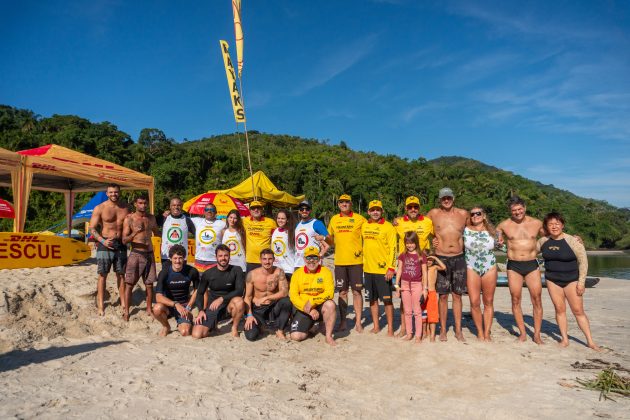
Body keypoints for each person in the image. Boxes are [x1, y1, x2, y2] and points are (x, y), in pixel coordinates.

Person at [537, 212, 599, 350]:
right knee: (560, 309)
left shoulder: (573, 241)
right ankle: (564, 339)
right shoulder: (543, 241)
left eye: (557, 223)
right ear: (546, 227)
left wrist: (581, 282)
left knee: (578, 311)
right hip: (552, 280)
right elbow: (528, 253)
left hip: (572, 280)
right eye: (551, 224)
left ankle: (590, 341)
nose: (554, 226)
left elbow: (583, 262)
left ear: (562, 225)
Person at [496, 196, 545, 344]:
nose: (517, 212)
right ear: (510, 211)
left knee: (536, 298)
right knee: (515, 298)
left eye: (519, 209)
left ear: (524, 208)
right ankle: (522, 333)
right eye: (514, 210)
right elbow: (497, 237)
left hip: (532, 264)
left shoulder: (537, 223)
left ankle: (536, 334)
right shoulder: (503, 225)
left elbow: (553, 236)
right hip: (513, 265)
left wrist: (574, 239)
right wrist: (499, 240)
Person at [427, 187, 468, 342]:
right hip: (441, 258)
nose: (446, 200)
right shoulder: (433, 214)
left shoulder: (463, 214)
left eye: (448, 197)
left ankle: (458, 330)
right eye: (443, 198)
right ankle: (443, 330)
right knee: (443, 296)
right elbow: (419, 225)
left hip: (459, 258)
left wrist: (496, 234)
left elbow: (479, 225)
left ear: (453, 198)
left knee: (457, 295)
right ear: (440, 199)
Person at [393, 195, 434, 337]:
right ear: (406, 208)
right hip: (406, 265)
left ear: (419, 208)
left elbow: (437, 237)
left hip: (422, 264)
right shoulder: (398, 222)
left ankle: (425, 329)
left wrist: (433, 249)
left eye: (415, 207)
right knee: (405, 302)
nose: (413, 209)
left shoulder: (428, 222)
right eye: (410, 207)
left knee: (424, 297)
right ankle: (405, 328)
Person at [327, 194, 367, 332]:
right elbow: (330, 240)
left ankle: (358, 322)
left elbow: (369, 234)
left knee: (357, 292)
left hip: (356, 261)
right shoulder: (334, 219)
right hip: (340, 262)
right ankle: (343, 322)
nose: (344, 204)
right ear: (338, 204)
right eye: (341, 202)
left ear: (351, 204)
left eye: (347, 202)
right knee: (342, 292)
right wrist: (322, 239)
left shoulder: (359, 219)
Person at [89, 183, 129, 316]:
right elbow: (92, 228)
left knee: (121, 274)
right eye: (111, 192)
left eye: (116, 192)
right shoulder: (100, 208)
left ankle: (123, 303)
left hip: (121, 245)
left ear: (119, 192)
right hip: (104, 243)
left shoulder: (126, 208)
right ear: (107, 193)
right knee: (102, 275)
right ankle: (101, 305)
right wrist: (102, 240)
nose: (114, 194)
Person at [192, 244, 245, 338]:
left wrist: (222, 299)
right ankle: (213, 326)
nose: (223, 258)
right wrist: (200, 311)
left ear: (229, 256)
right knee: (197, 335)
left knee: (239, 301)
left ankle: (234, 327)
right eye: (220, 256)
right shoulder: (208, 273)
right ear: (216, 257)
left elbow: (240, 291)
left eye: (226, 255)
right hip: (213, 307)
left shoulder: (237, 270)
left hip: (230, 306)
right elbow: (200, 293)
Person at [361, 200, 397, 336]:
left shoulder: (388, 227)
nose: (375, 212)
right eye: (373, 210)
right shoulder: (364, 226)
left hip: (383, 270)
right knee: (372, 300)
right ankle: (376, 326)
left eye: (378, 210)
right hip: (368, 270)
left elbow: (394, 248)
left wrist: (391, 268)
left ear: (382, 212)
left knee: (387, 300)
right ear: (368, 212)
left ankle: (390, 329)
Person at [121, 195, 159, 321]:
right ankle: (126, 311)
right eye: (140, 203)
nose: (143, 205)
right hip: (136, 253)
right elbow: (124, 240)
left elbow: (157, 232)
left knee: (149, 284)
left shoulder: (151, 218)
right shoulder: (129, 219)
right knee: (130, 283)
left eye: (145, 203)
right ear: (135, 204)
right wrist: (134, 233)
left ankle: (148, 308)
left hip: (149, 253)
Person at [289, 246, 337, 346]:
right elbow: (293, 296)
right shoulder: (297, 274)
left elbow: (330, 293)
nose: (311, 261)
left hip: (320, 305)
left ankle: (328, 336)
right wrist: (308, 309)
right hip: (304, 308)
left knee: (330, 304)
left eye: (315, 258)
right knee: (296, 337)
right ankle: (312, 327)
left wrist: (313, 301)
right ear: (304, 259)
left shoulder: (326, 272)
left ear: (319, 259)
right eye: (308, 258)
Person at [463, 206, 497, 341]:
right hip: (472, 267)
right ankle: (480, 332)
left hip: (490, 267)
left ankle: (487, 332)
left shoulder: (493, 231)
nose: (475, 216)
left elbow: (505, 246)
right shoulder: (465, 230)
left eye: (478, 213)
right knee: (474, 302)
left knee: (488, 301)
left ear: (484, 215)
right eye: (472, 214)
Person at [243, 249, 292, 341]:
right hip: (257, 309)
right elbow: (247, 297)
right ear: (260, 260)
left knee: (287, 301)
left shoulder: (279, 272)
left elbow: (284, 292)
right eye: (264, 259)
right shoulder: (252, 274)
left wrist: (267, 297)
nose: (267, 262)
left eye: (270, 259)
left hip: (273, 307)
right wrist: (249, 315)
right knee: (251, 336)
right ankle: (261, 326)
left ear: (274, 259)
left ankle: (280, 330)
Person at [152, 244, 199, 337]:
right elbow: (158, 297)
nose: (178, 261)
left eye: (180, 258)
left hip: (184, 305)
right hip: (168, 306)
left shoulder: (192, 271)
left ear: (184, 259)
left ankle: (186, 321)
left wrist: (189, 306)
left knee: (185, 332)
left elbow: (197, 289)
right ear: (170, 259)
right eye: (175, 258)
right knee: (157, 309)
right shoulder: (164, 272)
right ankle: (166, 326)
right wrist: (175, 304)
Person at [395, 231, 428, 343]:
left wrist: (425, 289)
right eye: (407, 243)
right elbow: (399, 270)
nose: (410, 245)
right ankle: (409, 333)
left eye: (412, 243)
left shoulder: (421, 256)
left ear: (416, 243)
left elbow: (425, 273)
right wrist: (397, 286)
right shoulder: (402, 255)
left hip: (417, 285)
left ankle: (418, 335)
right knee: (407, 311)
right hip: (404, 285)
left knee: (417, 311)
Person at [294, 200, 330, 269]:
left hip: (312, 264)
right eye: (302, 209)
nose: (304, 211)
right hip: (298, 263)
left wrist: (321, 254)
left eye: (307, 209)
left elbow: (329, 242)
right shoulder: (297, 225)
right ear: (299, 211)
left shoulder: (317, 223)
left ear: (310, 211)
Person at [160, 197, 195, 268]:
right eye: (174, 205)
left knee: (181, 278)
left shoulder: (187, 220)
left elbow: (197, 234)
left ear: (181, 206)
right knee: (167, 278)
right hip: (166, 257)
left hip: (181, 257)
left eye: (178, 205)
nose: (176, 207)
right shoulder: (164, 218)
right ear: (170, 206)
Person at [243, 200, 277, 272]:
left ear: (262, 210)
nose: (256, 210)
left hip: (266, 259)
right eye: (253, 208)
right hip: (250, 259)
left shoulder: (271, 222)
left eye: (258, 208)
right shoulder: (244, 221)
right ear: (250, 211)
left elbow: (278, 237)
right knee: (250, 281)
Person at [191, 203, 225, 272]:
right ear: (204, 212)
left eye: (211, 209)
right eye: (207, 209)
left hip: (214, 260)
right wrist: (167, 214)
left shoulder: (222, 224)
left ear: (215, 212)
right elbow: (181, 218)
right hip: (199, 259)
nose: (209, 211)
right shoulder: (197, 221)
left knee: (213, 282)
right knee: (200, 282)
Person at [422, 255, 446, 342]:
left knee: (432, 314)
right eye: (427, 260)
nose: (429, 262)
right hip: (422, 293)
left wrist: (435, 258)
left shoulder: (434, 267)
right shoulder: (422, 267)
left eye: (431, 260)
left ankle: (432, 335)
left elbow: (443, 267)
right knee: (423, 314)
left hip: (432, 293)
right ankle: (424, 332)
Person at [271, 209, 297, 282]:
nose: (280, 220)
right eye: (278, 218)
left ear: (287, 220)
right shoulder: (275, 231)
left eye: (283, 218)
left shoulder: (292, 232)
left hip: (288, 269)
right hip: (276, 268)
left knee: (286, 291)